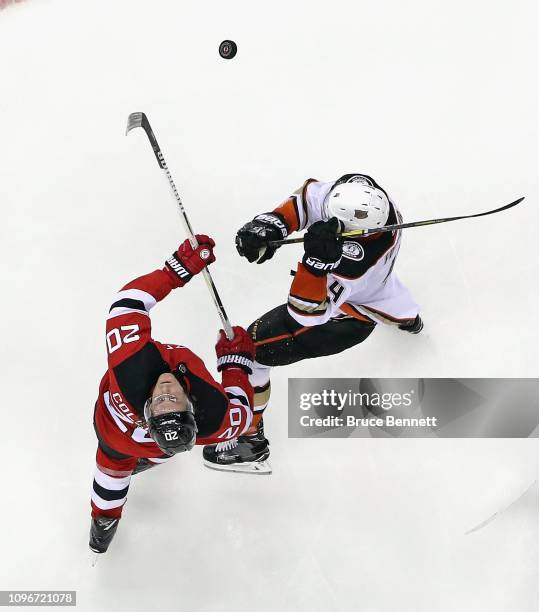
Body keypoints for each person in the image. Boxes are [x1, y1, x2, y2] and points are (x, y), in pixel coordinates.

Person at [203, 174, 422, 474]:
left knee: (246, 352)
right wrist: (271, 225)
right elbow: (308, 200)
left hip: (340, 322)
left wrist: (315, 265)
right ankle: (406, 318)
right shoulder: (365, 197)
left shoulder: (355, 267)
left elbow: (308, 313)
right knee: (388, 299)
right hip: (377, 294)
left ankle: (248, 440)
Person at [90, 235, 255, 554]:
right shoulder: (214, 418)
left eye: (159, 401)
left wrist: (176, 270)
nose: (166, 389)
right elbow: (244, 413)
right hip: (154, 441)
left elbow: (127, 303)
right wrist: (235, 364)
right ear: (193, 407)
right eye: (174, 400)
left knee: (110, 465)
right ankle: (146, 464)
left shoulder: (132, 369)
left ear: (147, 408)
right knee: (163, 449)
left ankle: (103, 523)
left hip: (112, 432)